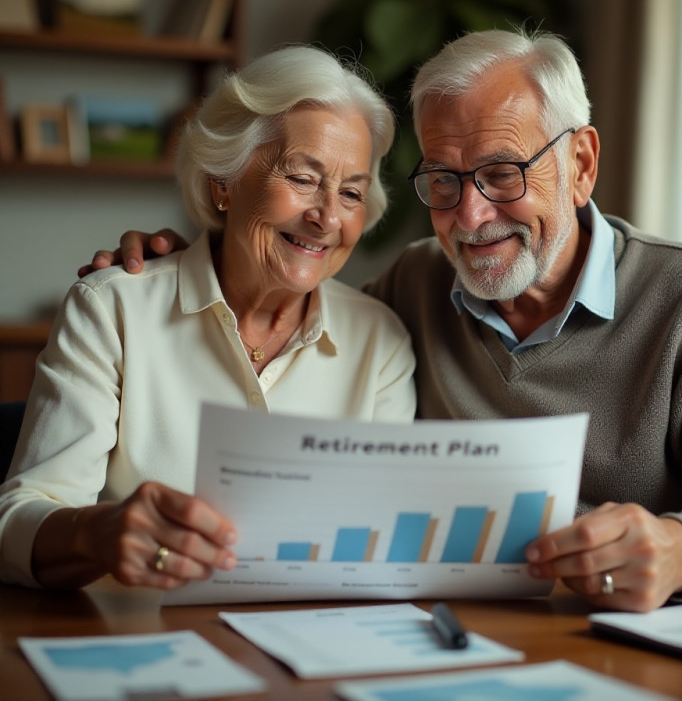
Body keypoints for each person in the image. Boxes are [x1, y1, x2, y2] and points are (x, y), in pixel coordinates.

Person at [75, 29, 682, 613]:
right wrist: (178, 258)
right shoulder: (413, 286)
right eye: (443, 180)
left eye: (502, 172)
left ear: (580, 163)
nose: (471, 214)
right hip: (461, 634)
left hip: (628, 640)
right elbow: (294, 278)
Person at [0, 45, 416, 592]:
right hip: (142, 639)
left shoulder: (380, 341)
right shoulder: (112, 309)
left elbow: (383, 543)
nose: (326, 217)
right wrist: (98, 533)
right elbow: (16, 523)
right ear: (223, 181)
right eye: (303, 177)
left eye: (352, 192)